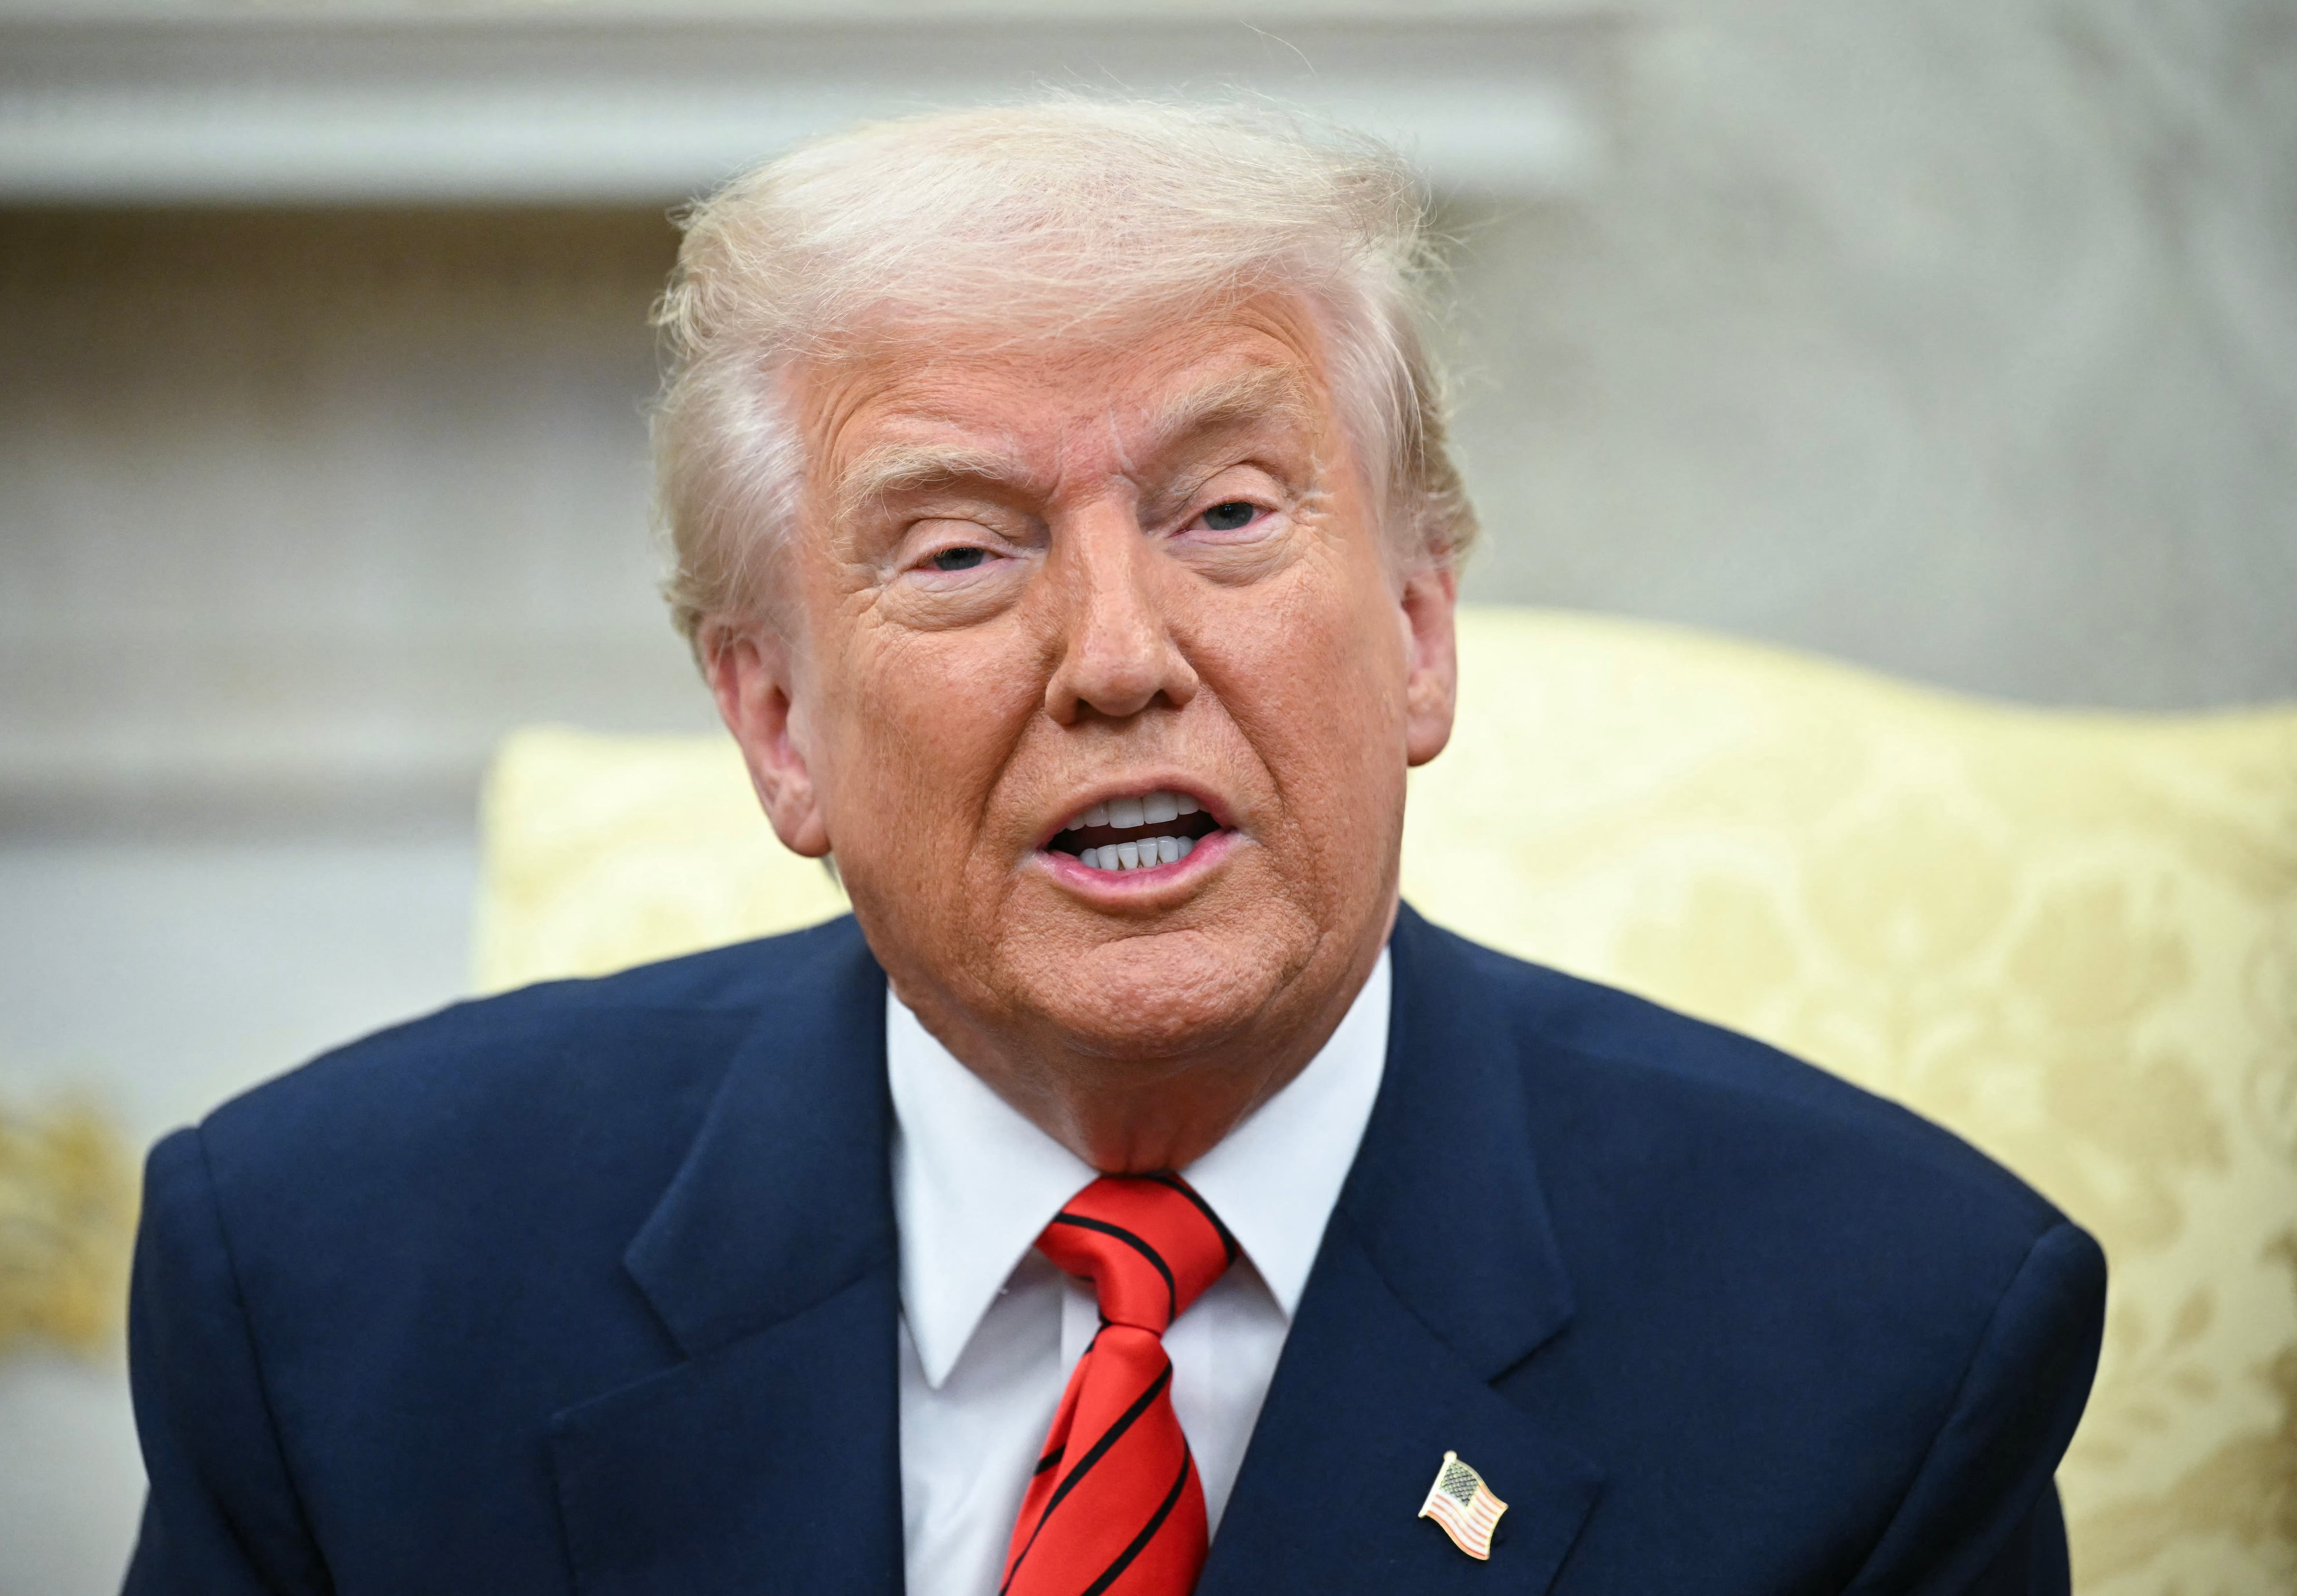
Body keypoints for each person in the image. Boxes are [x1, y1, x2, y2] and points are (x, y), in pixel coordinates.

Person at [121, 100, 2104, 1596]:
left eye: (1225, 514)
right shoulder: (326, 1293)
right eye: (964, 550)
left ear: (1415, 628)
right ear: (776, 722)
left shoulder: (1885, 1336)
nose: (1119, 659)